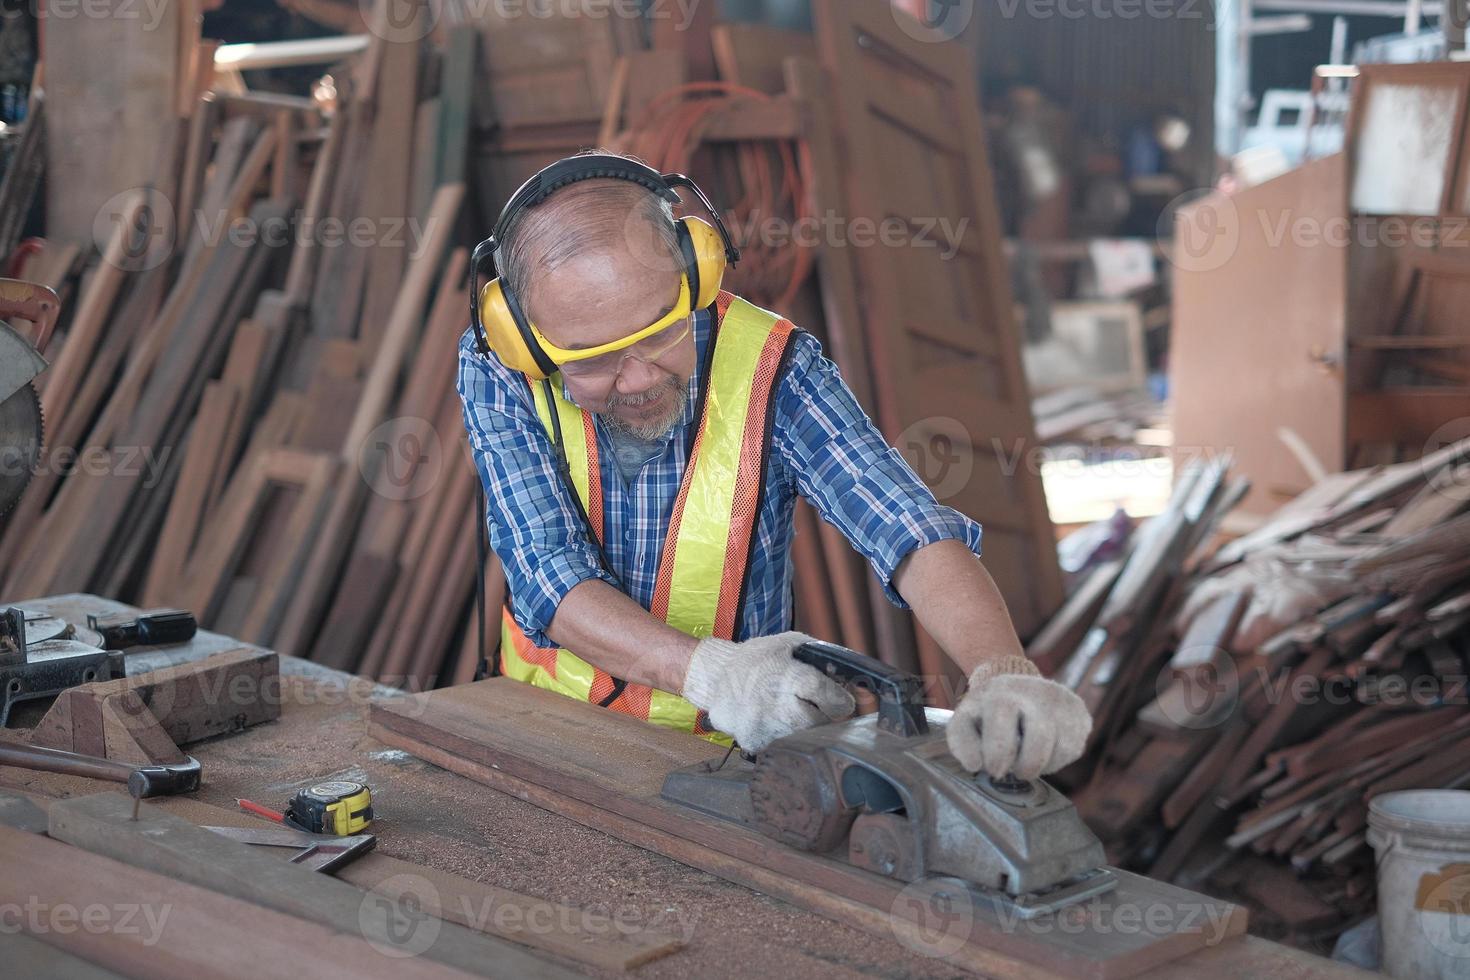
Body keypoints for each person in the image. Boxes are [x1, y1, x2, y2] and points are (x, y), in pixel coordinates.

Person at [457, 152, 1091, 780]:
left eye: (660, 330)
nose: (640, 376)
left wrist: (1001, 669)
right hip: (547, 730)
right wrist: (713, 673)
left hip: (729, 752)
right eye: (595, 359)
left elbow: (906, 527)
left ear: (696, 273)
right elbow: (547, 570)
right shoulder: (500, 367)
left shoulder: (775, 367)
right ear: (521, 333)